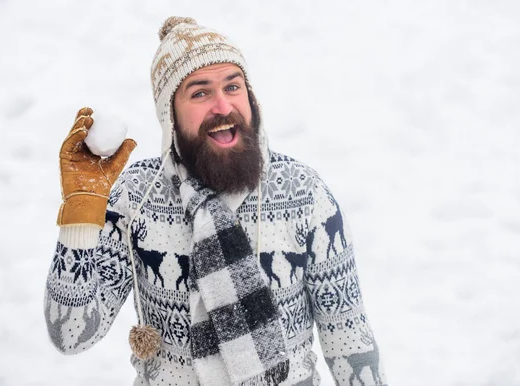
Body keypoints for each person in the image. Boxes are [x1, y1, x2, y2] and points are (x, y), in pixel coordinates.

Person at [44, 16, 388, 386]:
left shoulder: (303, 192)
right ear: (170, 115)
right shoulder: (137, 196)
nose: (223, 106)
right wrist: (81, 214)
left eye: (233, 86)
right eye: (200, 92)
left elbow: (348, 337)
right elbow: (72, 335)